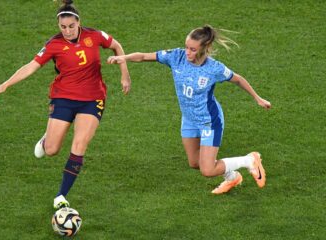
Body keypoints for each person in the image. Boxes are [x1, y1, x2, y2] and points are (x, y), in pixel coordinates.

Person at [0, 0, 131, 208]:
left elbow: (116, 46)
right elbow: (31, 66)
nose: (67, 31)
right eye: (63, 27)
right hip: (63, 98)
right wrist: (5, 84)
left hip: (92, 100)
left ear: (78, 22)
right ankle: (48, 138)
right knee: (51, 150)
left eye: (71, 26)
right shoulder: (54, 44)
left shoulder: (94, 36)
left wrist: (124, 75)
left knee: (79, 144)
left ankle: (61, 195)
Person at [108, 25, 271, 194]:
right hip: (189, 119)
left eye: (192, 49)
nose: (187, 52)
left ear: (204, 49)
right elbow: (143, 56)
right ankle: (232, 177)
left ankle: (249, 160)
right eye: (187, 47)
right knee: (194, 162)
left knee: (207, 170)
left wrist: (257, 98)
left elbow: (238, 79)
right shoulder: (176, 56)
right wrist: (124, 57)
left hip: (209, 121)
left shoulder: (214, 68)